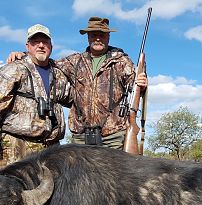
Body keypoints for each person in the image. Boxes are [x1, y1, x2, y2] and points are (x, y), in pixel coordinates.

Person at [7, 17, 148, 149]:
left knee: (114, 175)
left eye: (102, 34)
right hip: (81, 136)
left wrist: (141, 83)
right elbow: (46, 61)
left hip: (113, 136)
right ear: (88, 37)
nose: (98, 38)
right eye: (93, 35)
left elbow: (134, 85)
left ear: (108, 37)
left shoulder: (122, 61)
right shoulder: (74, 61)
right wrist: (24, 55)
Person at [0, 24, 69, 167]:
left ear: (51, 46)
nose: (41, 45)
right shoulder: (14, 69)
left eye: (45, 42)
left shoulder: (58, 74)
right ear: (28, 46)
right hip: (17, 146)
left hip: (50, 148)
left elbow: (75, 99)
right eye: (36, 42)